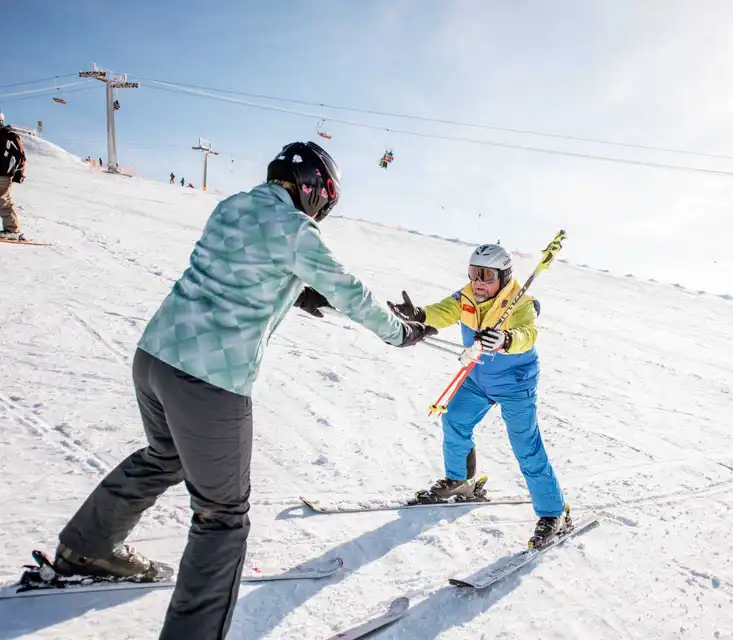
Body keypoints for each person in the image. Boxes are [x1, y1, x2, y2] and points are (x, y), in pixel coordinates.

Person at [52, 142, 436, 639]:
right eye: (326, 199)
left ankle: (88, 546)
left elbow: (242, 265)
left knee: (164, 455)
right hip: (208, 379)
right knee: (221, 515)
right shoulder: (297, 229)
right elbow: (348, 289)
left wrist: (298, 290)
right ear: (315, 188)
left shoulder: (231, 205)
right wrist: (399, 331)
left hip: (154, 357)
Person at [388, 243, 571, 549]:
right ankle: (462, 482)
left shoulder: (519, 303)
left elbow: (529, 333)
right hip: (478, 379)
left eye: (486, 275)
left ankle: (555, 514)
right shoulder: (468, 296)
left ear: (503, 276)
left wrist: (506, 338)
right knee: (455, 421)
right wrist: (419, 314)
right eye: (474, 273)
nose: (478, 281)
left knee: (526, 447)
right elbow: (444, 311)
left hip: (515, 383)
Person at [0, 112, 27, 241]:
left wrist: (18, 173)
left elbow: (20, 156)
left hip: (3, 175)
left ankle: (12, 230)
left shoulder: (9, 136)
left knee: (3, 202)